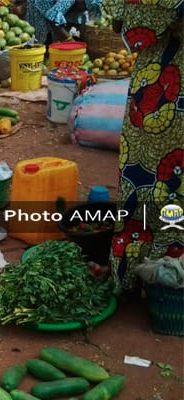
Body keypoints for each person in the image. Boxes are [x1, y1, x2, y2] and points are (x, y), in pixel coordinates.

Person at [106, 0, 184, 291]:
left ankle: (137, 274)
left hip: (160, 87)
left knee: (150, 181)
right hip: (161, 92)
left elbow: (121, 22)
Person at [22, 0, 102, 44]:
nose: (84, 9)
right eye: (84, 7)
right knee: (41, 42)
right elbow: (52, 18)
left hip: (52, 7)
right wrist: (69, 40)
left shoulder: (81, 5)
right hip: (40, 6)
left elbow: (73, 17)